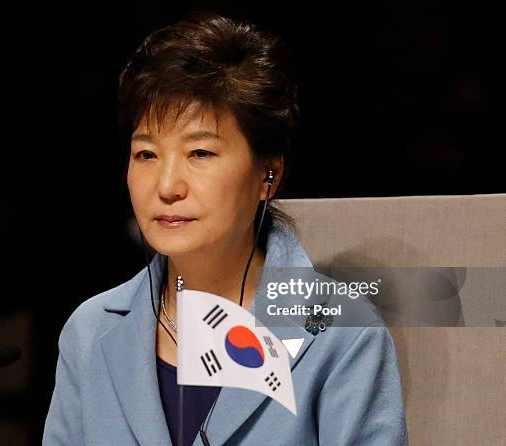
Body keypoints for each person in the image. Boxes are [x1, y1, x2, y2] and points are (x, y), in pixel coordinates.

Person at [43, 12, 409, 446]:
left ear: (267, 174)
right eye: (146, 154)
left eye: (199, 152)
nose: (167, 186)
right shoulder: (90, 331)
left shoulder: (340, 332)